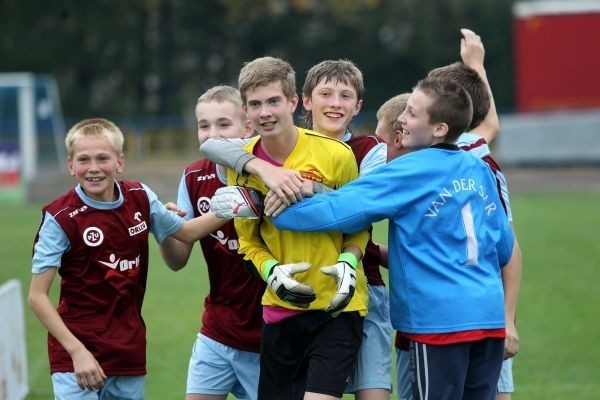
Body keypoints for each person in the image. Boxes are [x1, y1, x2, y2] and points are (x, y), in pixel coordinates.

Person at [269, 76, 520, 400]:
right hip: (488, 318)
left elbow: (337, 210)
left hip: (440, 323)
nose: (402, 117)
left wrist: (272, 211)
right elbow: (503, 248)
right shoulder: (478, 168)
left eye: (413, 113)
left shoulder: (408, 170)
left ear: (439, 128)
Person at [201, 59, 393, 400]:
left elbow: (359, 226)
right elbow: (248, 242)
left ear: (292, 102)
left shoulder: (336, 154)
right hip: (280, 310)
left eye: (274, 101)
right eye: (256, 104)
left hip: (338, 307)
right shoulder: (242, 162)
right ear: (245, 110)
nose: (265, 112)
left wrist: (349, 263)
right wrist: (271, 270)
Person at [28, 118, 226, 399]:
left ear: (119, 162)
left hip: (128, 351)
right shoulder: (60, 218)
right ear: (71, 165)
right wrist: (77, 351)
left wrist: (233, 206)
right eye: (83, 159)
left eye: (103, 158)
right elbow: (37, 296)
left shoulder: (140, 197)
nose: (94, 168)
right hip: (75, 355)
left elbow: (186, 232)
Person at [158, 86, 266, 400]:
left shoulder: (269, 173)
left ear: (248, 127)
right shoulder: (194, 176)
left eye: (223, 124)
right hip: (217, 332)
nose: (212, 134)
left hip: (270, 334)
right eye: (204, 126)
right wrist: (163, 227)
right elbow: (177, 260)